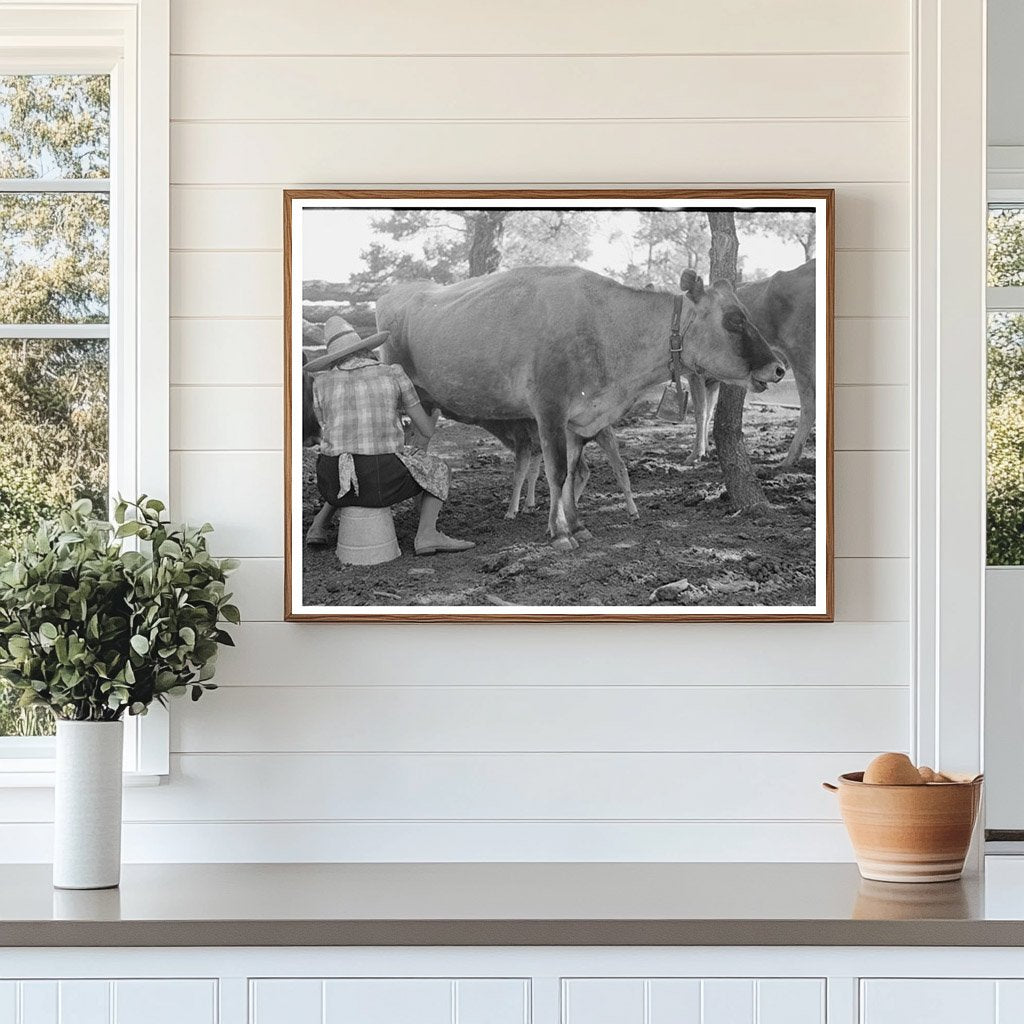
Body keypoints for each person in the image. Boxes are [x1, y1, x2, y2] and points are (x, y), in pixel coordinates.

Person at [304, 315, 474, 556]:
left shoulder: (321, 383)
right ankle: (426, 533)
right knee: (438, 469)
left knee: (347, 461)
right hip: (381, 482)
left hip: (330, 480)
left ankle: (318, 525)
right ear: (364, 349)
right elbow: (425, 430)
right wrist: (433, 412)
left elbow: (328, 431)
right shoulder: (392, 373)